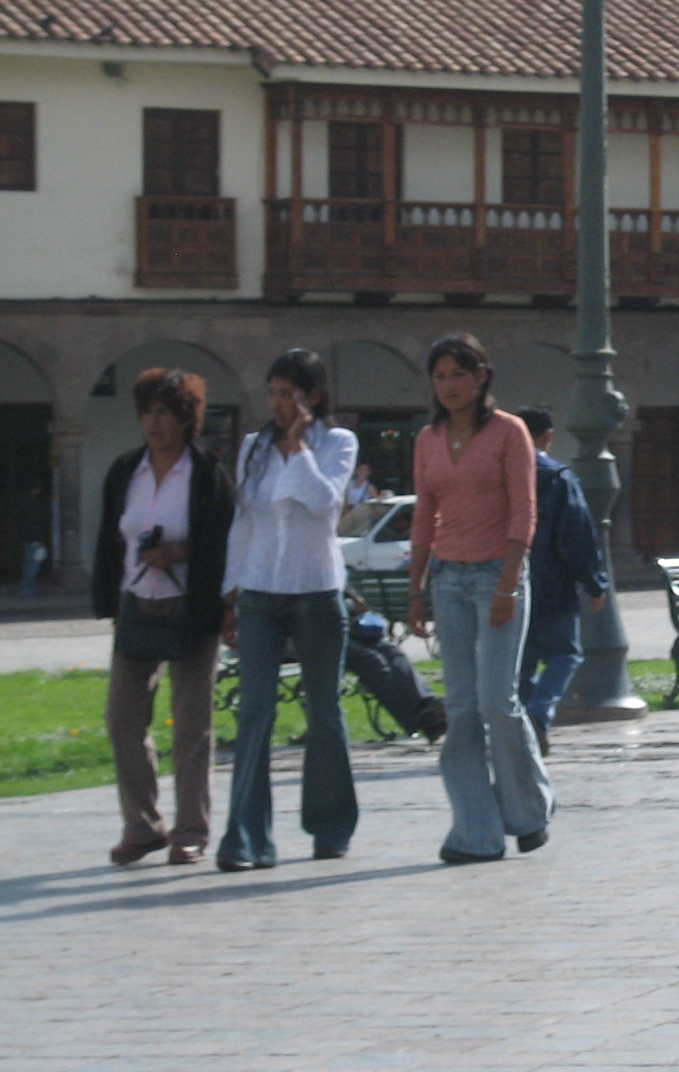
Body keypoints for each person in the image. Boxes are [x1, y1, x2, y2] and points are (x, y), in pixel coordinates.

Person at [407, 333, 553, 864]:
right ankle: (476, 833)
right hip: (448, 579)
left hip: (498, 574)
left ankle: (529, 811)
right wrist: (416, 589)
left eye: (459, 375)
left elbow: (524, 512)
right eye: (440, 376)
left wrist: (508, 585)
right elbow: (424, 515)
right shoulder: (428, 439)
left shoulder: (509, 432)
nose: (449, 386)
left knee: (497, 699)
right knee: (461, 707)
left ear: (482, 377)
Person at [219, 351, 358, 872]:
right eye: (273, 393)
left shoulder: (338, 443)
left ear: (312, 396)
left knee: (324, 713)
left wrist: (298, 447)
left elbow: (324, 505)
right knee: (254, 711)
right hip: (259, 592)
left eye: (288, 394)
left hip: (316, 592)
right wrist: (229, 594)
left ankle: (330, 826)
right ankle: (246, 838)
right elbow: (243, 522)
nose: (277, 404)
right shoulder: (253, 447)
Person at [94, 368, 236, 866]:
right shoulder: (125, 470)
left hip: (192, 608)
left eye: (164, 413)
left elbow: (225, 540)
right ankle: (142, 826)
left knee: (192, 724)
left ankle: (190, 831)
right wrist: (108, 594)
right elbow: (112, 537)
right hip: (137, 603)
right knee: (122, 721)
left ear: (185, 419)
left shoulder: (207, 474)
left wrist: (180, 551)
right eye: (148, 413)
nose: (154, 423)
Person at [513, 407, 611, 755]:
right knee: (566, 653)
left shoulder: (502, 477)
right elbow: (577, 535)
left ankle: (523, 730)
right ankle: (538, 714)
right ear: (548, 437)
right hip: (554, 582)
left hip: (510, 582)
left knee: (522, 661)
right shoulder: (559, 478)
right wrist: (594, 582)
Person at [344, 585, 446, 743]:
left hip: (348, 629)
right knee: (372, 661)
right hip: (319, 636)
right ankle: (420, 721)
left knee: (392, 651)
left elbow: (357, 602)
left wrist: (356, 602)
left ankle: (427, 704)